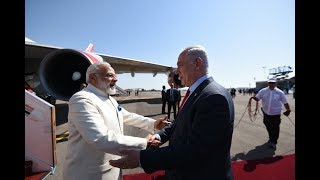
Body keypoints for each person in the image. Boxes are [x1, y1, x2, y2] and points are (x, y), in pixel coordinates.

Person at [110, 45, 235, 180]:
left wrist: (142, 158)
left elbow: (196, 151)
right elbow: (178, 123)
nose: (176, 71)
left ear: (197, 63)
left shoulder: (213, 97)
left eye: (180, 65)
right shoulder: (197, 92)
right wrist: (158, 137)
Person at [63, 61, 169, 180]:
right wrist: (144, 143)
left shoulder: (109, 99)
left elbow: (127, 116)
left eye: (115, 75)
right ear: (93, 78)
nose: (116, 79)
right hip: (90, 174)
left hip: (112, 170)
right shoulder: (82, 99)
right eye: (109, 75)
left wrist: (153, 124)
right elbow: (100, 138)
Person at [249, 77, 291, 149]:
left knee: (275, 128)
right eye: (270, 83)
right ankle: (271, 137)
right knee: (267, 125)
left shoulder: (280, 92)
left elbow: (285, 102)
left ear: (275, 83)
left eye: (273, 83)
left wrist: (288, 109)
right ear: (268, 83)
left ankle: (274, 142)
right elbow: (258, 98)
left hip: (276, 113)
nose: (271, 84)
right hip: (266, 112)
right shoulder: (263, 91)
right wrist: (253, 98)